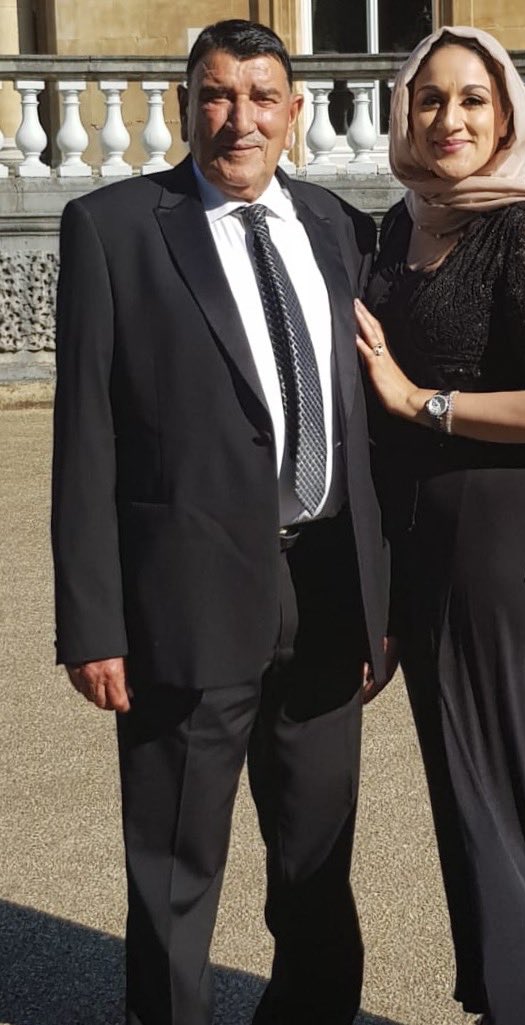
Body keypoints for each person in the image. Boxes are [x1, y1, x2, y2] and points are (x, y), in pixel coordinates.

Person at [51, 19, 392, 1025]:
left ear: (291, 112)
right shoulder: (113, 226)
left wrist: (383, 594)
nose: (236, 118)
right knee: (173, 875)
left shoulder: (340, 225)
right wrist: (93, 623)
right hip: (182, 603)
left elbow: (368, 427)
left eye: (257, 96)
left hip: (328, 595)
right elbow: (86, 440)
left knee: (316, 868)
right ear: (183, 104)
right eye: (213, 94)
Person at [355, 25, 525, 1025]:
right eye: (429, 99)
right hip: (425, 550)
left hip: (508, 552)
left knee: (497, 789)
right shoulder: (395, 227)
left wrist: (416, 398)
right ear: (404, 111)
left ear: (507, 111)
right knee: (468, 792)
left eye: (471, 99)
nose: (449, 119)